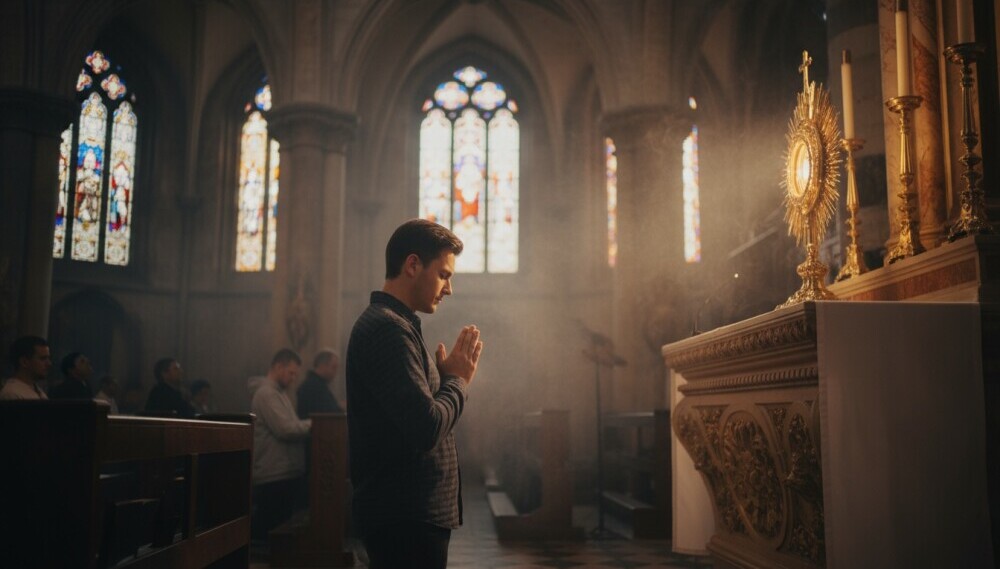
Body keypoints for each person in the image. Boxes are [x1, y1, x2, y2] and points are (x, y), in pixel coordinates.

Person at [346, 219, 483, 569]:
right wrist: (457, 381)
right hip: (404, 519)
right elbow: (426, 428)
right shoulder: (387, 329)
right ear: (412, 265)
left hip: (410, 516)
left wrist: (442, 381)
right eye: (444, 275)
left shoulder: (398, 326)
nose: (448, 288)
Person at [250, 348, 312, 540]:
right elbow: (286, 429)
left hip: (284, 471)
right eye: (291, 372)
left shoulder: (280, 393)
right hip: (274, 473)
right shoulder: (266, 394)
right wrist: (315, 424)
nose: (294, 378)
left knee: (280, 528)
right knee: (269, 531)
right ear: (278, 367)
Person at [296, 348, 344, 419]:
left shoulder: (318, 384)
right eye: (334, 367)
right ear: (322, 366)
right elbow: (329, 413)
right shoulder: (314, 387)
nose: (336, 372)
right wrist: (341, 408)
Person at [1, 336, 52, 400]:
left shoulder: (37, 390)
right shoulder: (12, 394)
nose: (49, 364)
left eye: (48, 358)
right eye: (43, 359)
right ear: (24, 362)